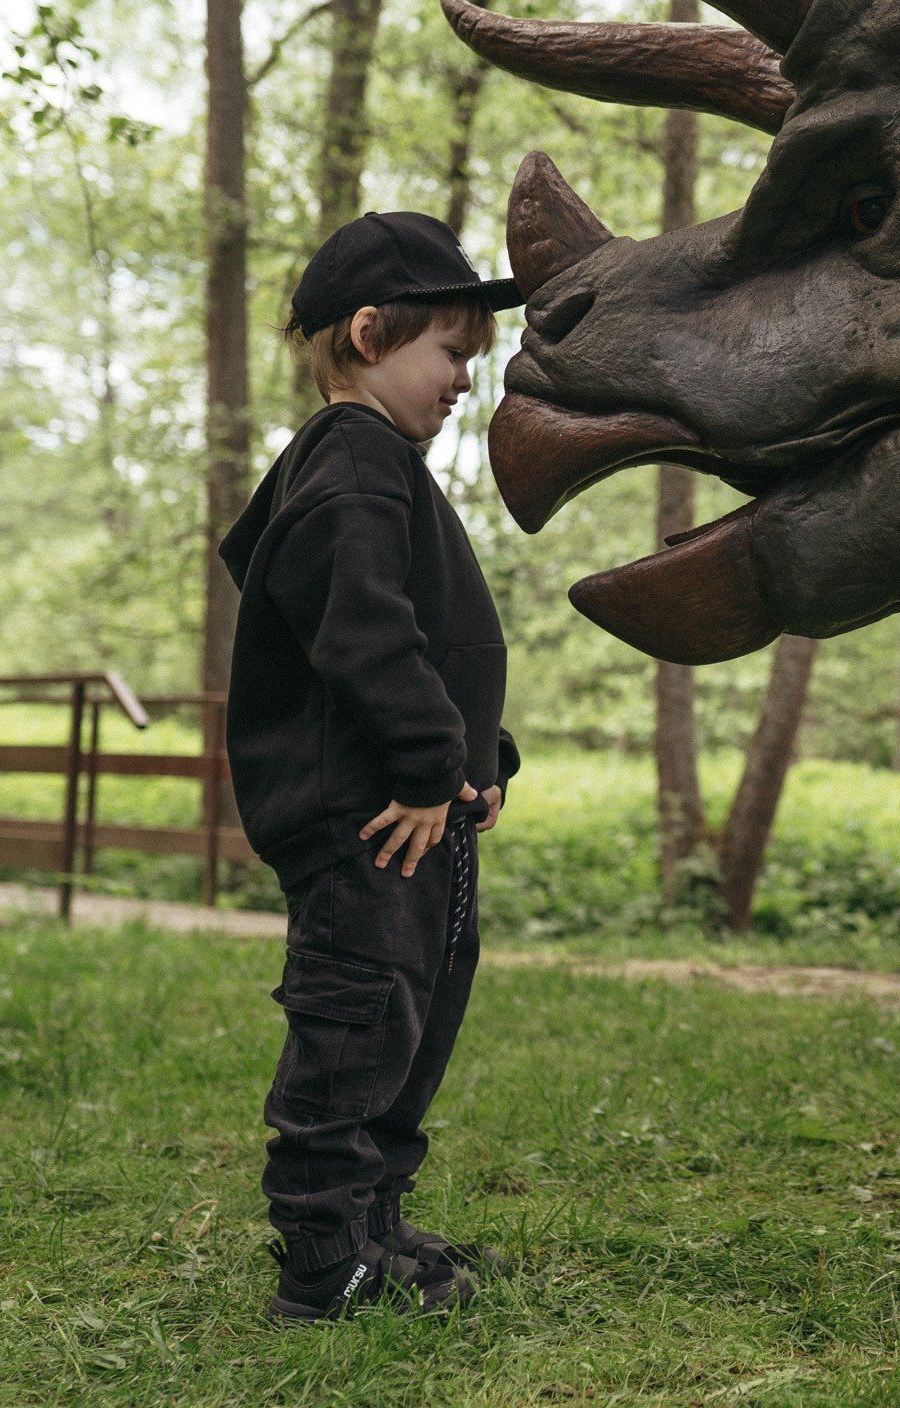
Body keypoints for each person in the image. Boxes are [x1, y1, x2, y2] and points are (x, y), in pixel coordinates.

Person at [218, 212, 524, 1322]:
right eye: (451, 355)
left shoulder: (380, 467)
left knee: (412, 1021)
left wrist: (472, 763)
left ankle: (373, 1219)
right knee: (356, 1022)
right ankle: (320, 1256)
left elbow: (429, 640)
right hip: (368, 819)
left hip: (415, 813)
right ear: (366, 332)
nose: (461, 383)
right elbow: (364, 637)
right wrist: (422, 763)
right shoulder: (352, 465)